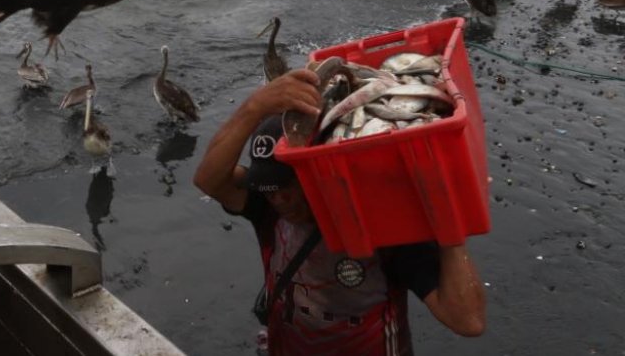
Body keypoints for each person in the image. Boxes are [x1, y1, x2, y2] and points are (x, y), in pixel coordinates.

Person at [193, 71, 486, 356]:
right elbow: (209, 180)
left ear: (315, 174)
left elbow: (468, 321)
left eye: (287, 187)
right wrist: (254, 106)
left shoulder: (381, 227)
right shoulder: (267, 209)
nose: (279, 200)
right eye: (268, 190)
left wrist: (449, 224)